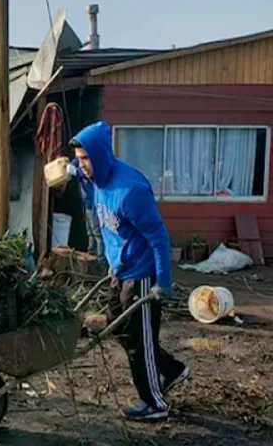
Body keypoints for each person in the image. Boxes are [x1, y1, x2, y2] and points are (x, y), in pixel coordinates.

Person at [71, 121, 189, 422]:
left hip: (142, 274)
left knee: (139, 342)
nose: (81, 164)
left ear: (98, 155)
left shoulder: (130, 190)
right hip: (119, 270)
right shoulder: (96, 179)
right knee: (117, 327)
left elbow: (160, 237)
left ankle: (155, 404)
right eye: (79, 158)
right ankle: (172, 369)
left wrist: (162, 282)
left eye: (85, 158)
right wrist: (71, 169)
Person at [66, 150, 105, 263]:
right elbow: (74, 163)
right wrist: (70, 166)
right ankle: (91, 251)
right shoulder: (79, 159)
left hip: (94, 200)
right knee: (89, 229)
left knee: (96, 230)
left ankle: (100, 258)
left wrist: (76, 172)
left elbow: (89, 173)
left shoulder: (92, 160)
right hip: (86, 199)